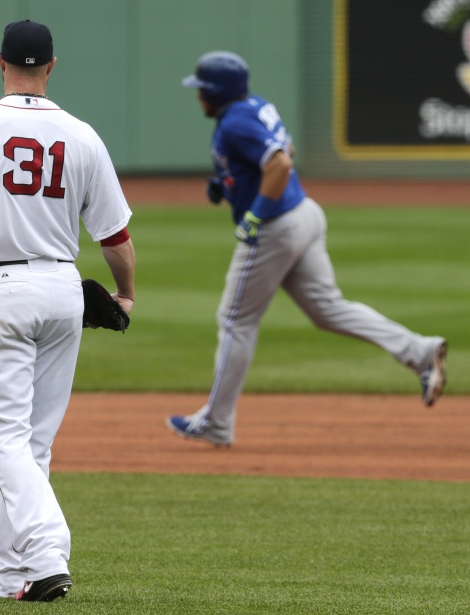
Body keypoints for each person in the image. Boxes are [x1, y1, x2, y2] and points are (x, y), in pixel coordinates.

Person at [0, 20, 136, 602]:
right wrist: (126, 296)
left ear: (0, 63)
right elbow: (115, 237)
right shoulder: (83, 135)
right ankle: (12, 574)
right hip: (64, 288)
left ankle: (48, 550)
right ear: (51, 65)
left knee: (7, 440)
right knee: (34, 443)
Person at [167, 51, 448, 447]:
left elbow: (279, 164)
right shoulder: (256, 105)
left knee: (235, 321)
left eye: (202, 90)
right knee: (328, 308)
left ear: (217, 92)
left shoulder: (234, 122)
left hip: (276, 226)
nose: (198, 98)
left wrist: (255, 214)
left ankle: (215, 421)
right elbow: (286, 150)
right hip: (305, 214)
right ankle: (419, 351)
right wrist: (228, 184)